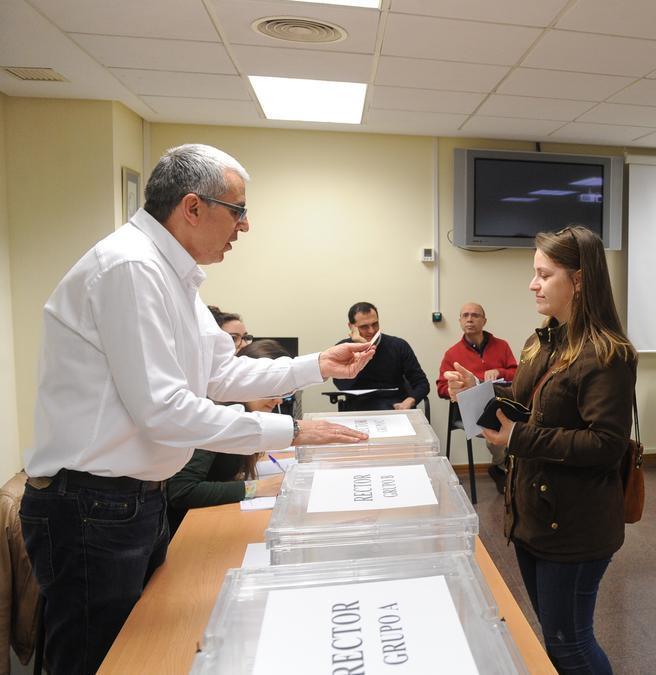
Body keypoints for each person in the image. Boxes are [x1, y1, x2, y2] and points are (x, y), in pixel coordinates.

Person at [19, 143, 375, 675]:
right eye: (238, 211)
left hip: (130, 500)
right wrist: (293, 430)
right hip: (93, 505)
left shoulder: (172, 274)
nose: (245, 226)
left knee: (137, 652)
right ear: (192, 207)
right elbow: (165, 410)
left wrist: (317, 365)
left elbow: (219, 374)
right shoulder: (130, 268)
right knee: (100, 659)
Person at [444, 226, 636, 674]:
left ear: (580, 280)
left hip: (574, 525)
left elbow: (606, 445)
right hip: (534, 514)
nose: (533, 284)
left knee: (570, 645)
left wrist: (518, 437)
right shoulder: (543, 341)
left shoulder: (607, 353)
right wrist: (482, 391)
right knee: (556, 639)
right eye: (535, 273)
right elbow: (531, 401)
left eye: (544, 274)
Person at [165, 340, 295, 534]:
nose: (278, 400)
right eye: (272, 390)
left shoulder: (244, 412)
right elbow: (181, 490)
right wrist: (258, 487)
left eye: (283, 392)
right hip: (186, 528)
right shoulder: (217, 414)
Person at [436, 302, 519, 492]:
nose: (470, 319)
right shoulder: (452, 353)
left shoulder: (502, 345)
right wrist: (455, 387)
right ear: (459, 321)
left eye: (475, 315)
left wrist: (499, 371)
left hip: (501, 401)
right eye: (465, 315)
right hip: (470, 410)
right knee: (497, 428)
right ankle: (501, 466)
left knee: (520, 423)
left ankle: (507, 468)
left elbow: (517, 374)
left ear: (484, 320)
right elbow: (441, 387)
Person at [334, 301, 430, 412]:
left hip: (394, 407)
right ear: (351, 327)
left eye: (375, 324)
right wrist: (361, 351)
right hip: (358, 408)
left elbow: (422, 383)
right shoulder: (343, 349)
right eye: (364, 327)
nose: (372, 331)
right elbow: (342, 386)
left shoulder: (398, 346)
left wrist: (410, 400)